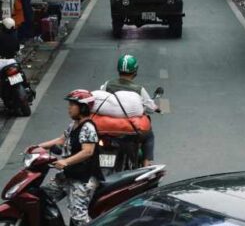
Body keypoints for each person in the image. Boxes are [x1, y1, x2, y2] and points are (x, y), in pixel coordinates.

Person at [29, 90, 102, 226]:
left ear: (83, 108)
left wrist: (65, 161)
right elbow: (61, 140)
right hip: (69, 174)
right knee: (42, 196)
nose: (69, 108)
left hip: (83, 179)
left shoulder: (88, 127)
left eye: (72, 105)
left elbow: (88, 152)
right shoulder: (74, 125)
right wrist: (37, 147)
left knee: (79, 217)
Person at [100, 54, 160, 167]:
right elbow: (150, 107)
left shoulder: (108, 84)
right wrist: (156, 108)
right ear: (135, 71)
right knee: (149, 136)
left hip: (107, 127)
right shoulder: (139, 89)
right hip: (129, 128)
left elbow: (100, 98)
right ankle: (146, 165)